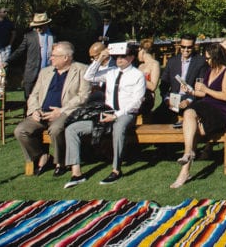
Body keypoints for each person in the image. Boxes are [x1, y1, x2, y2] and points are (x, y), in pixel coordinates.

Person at [63, 41, 146, 188]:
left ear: (132, 57)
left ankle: (116, 170)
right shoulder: (111, 72)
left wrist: (116, 115)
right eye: (117, 57)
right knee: (72, 129)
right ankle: (76, 173)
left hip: (125, 113)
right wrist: (100, 59)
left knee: (118, 128)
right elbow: (88, 76)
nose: (119, 59)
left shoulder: (137, 75)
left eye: (123, 56)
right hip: (107, 112)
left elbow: (137, 102)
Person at [13, 41, 90, 177]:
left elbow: (83, 96)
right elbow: (34, 94)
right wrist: (34, 111)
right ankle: (42, 156)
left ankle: (60, 162)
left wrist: (61, 111)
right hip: (41, 113)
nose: (50, 58)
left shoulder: (82, 70)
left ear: (66, 57)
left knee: (56, 129)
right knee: (21, 130)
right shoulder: (45, 72)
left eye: (54, 55)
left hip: (64, 112)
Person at [171, 42, 226, 189]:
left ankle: (185, 170)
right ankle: (188, 153)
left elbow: (225, 96)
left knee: (194, 129)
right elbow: (203, 93)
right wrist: (191, 91)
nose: (206, 61)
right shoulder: (209, 71)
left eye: (208, 58)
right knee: (188, 112)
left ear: (216, 57)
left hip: (221, 110)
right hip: (206, 106)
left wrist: (206, 89)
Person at [155, 33, 206, 123]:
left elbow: (201, 86)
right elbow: (163, 84)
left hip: (191, 98)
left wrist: (188, 101)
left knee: (189, 115)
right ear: (179, 45)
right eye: (183, 47)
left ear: (194, 46)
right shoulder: (172, 61)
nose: (186, 50)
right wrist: (167, 99)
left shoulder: (200, 62)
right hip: (173, 98)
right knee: (157, 115)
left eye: (189, 47)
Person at [8, 13, 56, 104]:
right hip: (32, 72)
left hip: (49, 71)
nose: (38, 29)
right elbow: (19, 50)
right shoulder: (29, 36)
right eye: (36, 26)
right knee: (29, 97)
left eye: (40, 26)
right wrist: (7, 61)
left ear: (46, 24)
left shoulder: (53, 36)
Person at [136, 39, 161, 116]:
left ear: (142, 51)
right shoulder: (141, 66)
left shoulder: (155, 64)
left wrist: (137, 78)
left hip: (147, 97)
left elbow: (153, 87)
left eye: (138, 52)